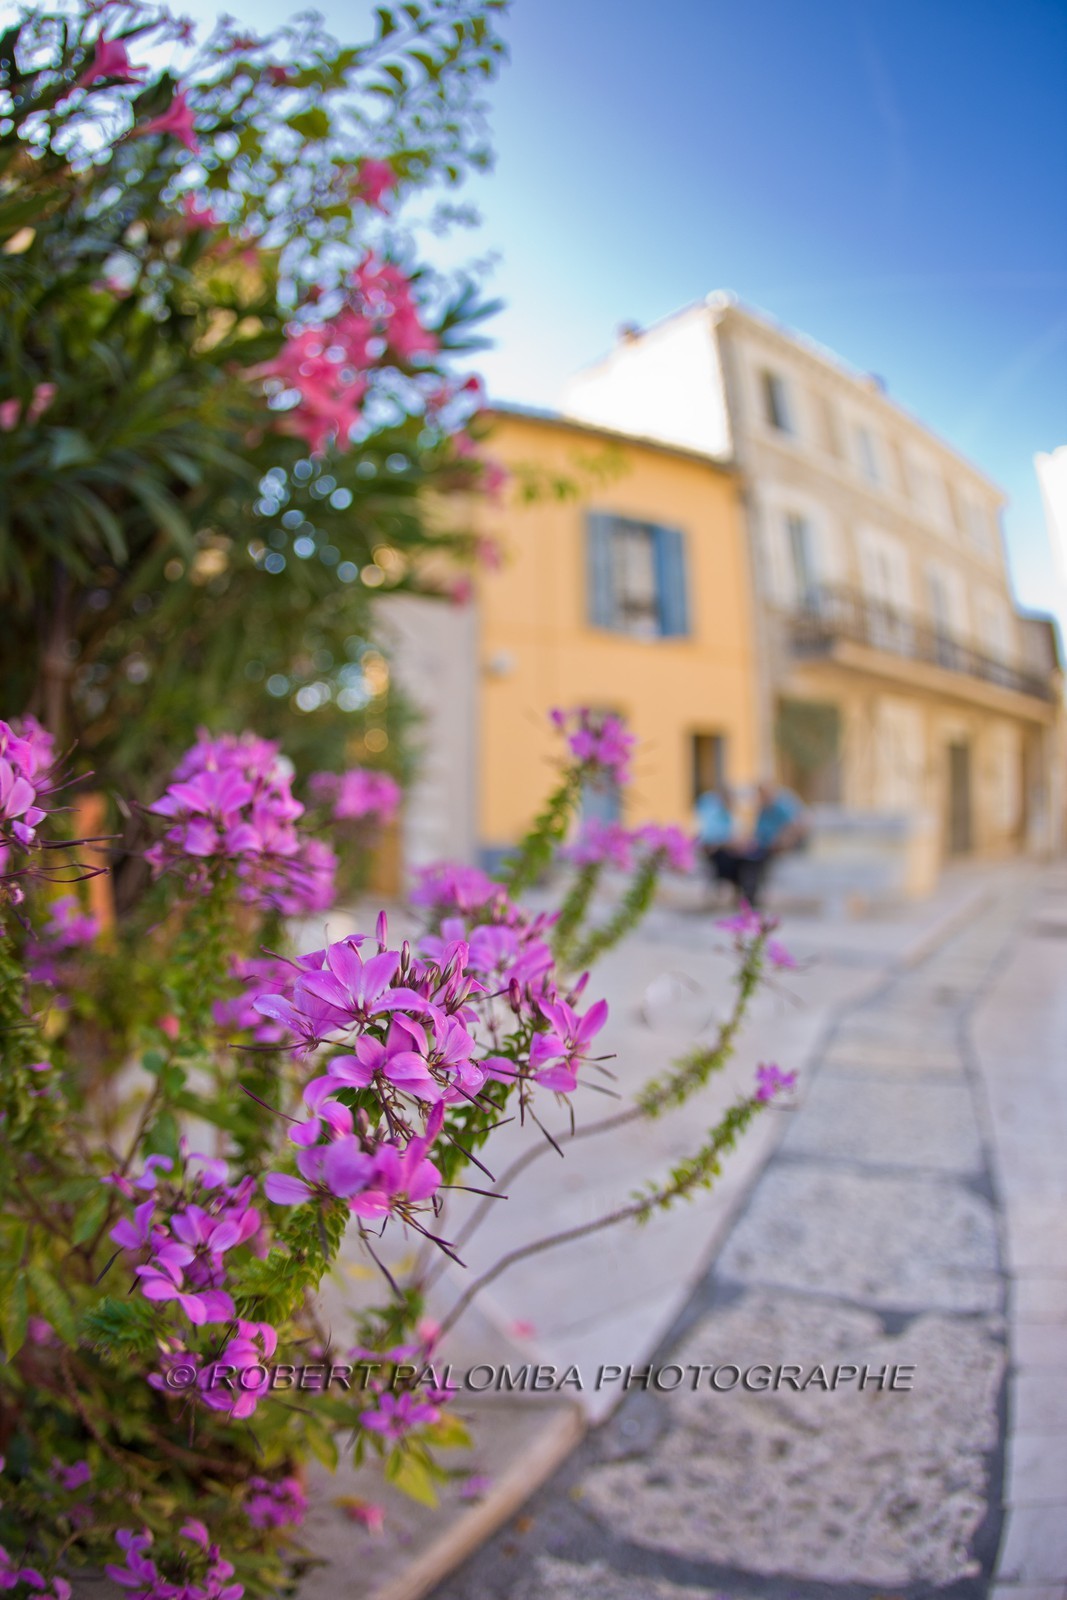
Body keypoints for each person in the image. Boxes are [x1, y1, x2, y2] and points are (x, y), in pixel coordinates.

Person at [710, 781, 809, 907]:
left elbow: (797, 825)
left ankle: (749, 896)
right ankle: (746, 895)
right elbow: (757, 833)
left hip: (774, 847)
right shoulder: (762, 809)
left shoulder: (782, 806)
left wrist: (781, 840)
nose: (760, 798)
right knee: (742, 859)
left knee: (753, 862)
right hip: (761, 846)